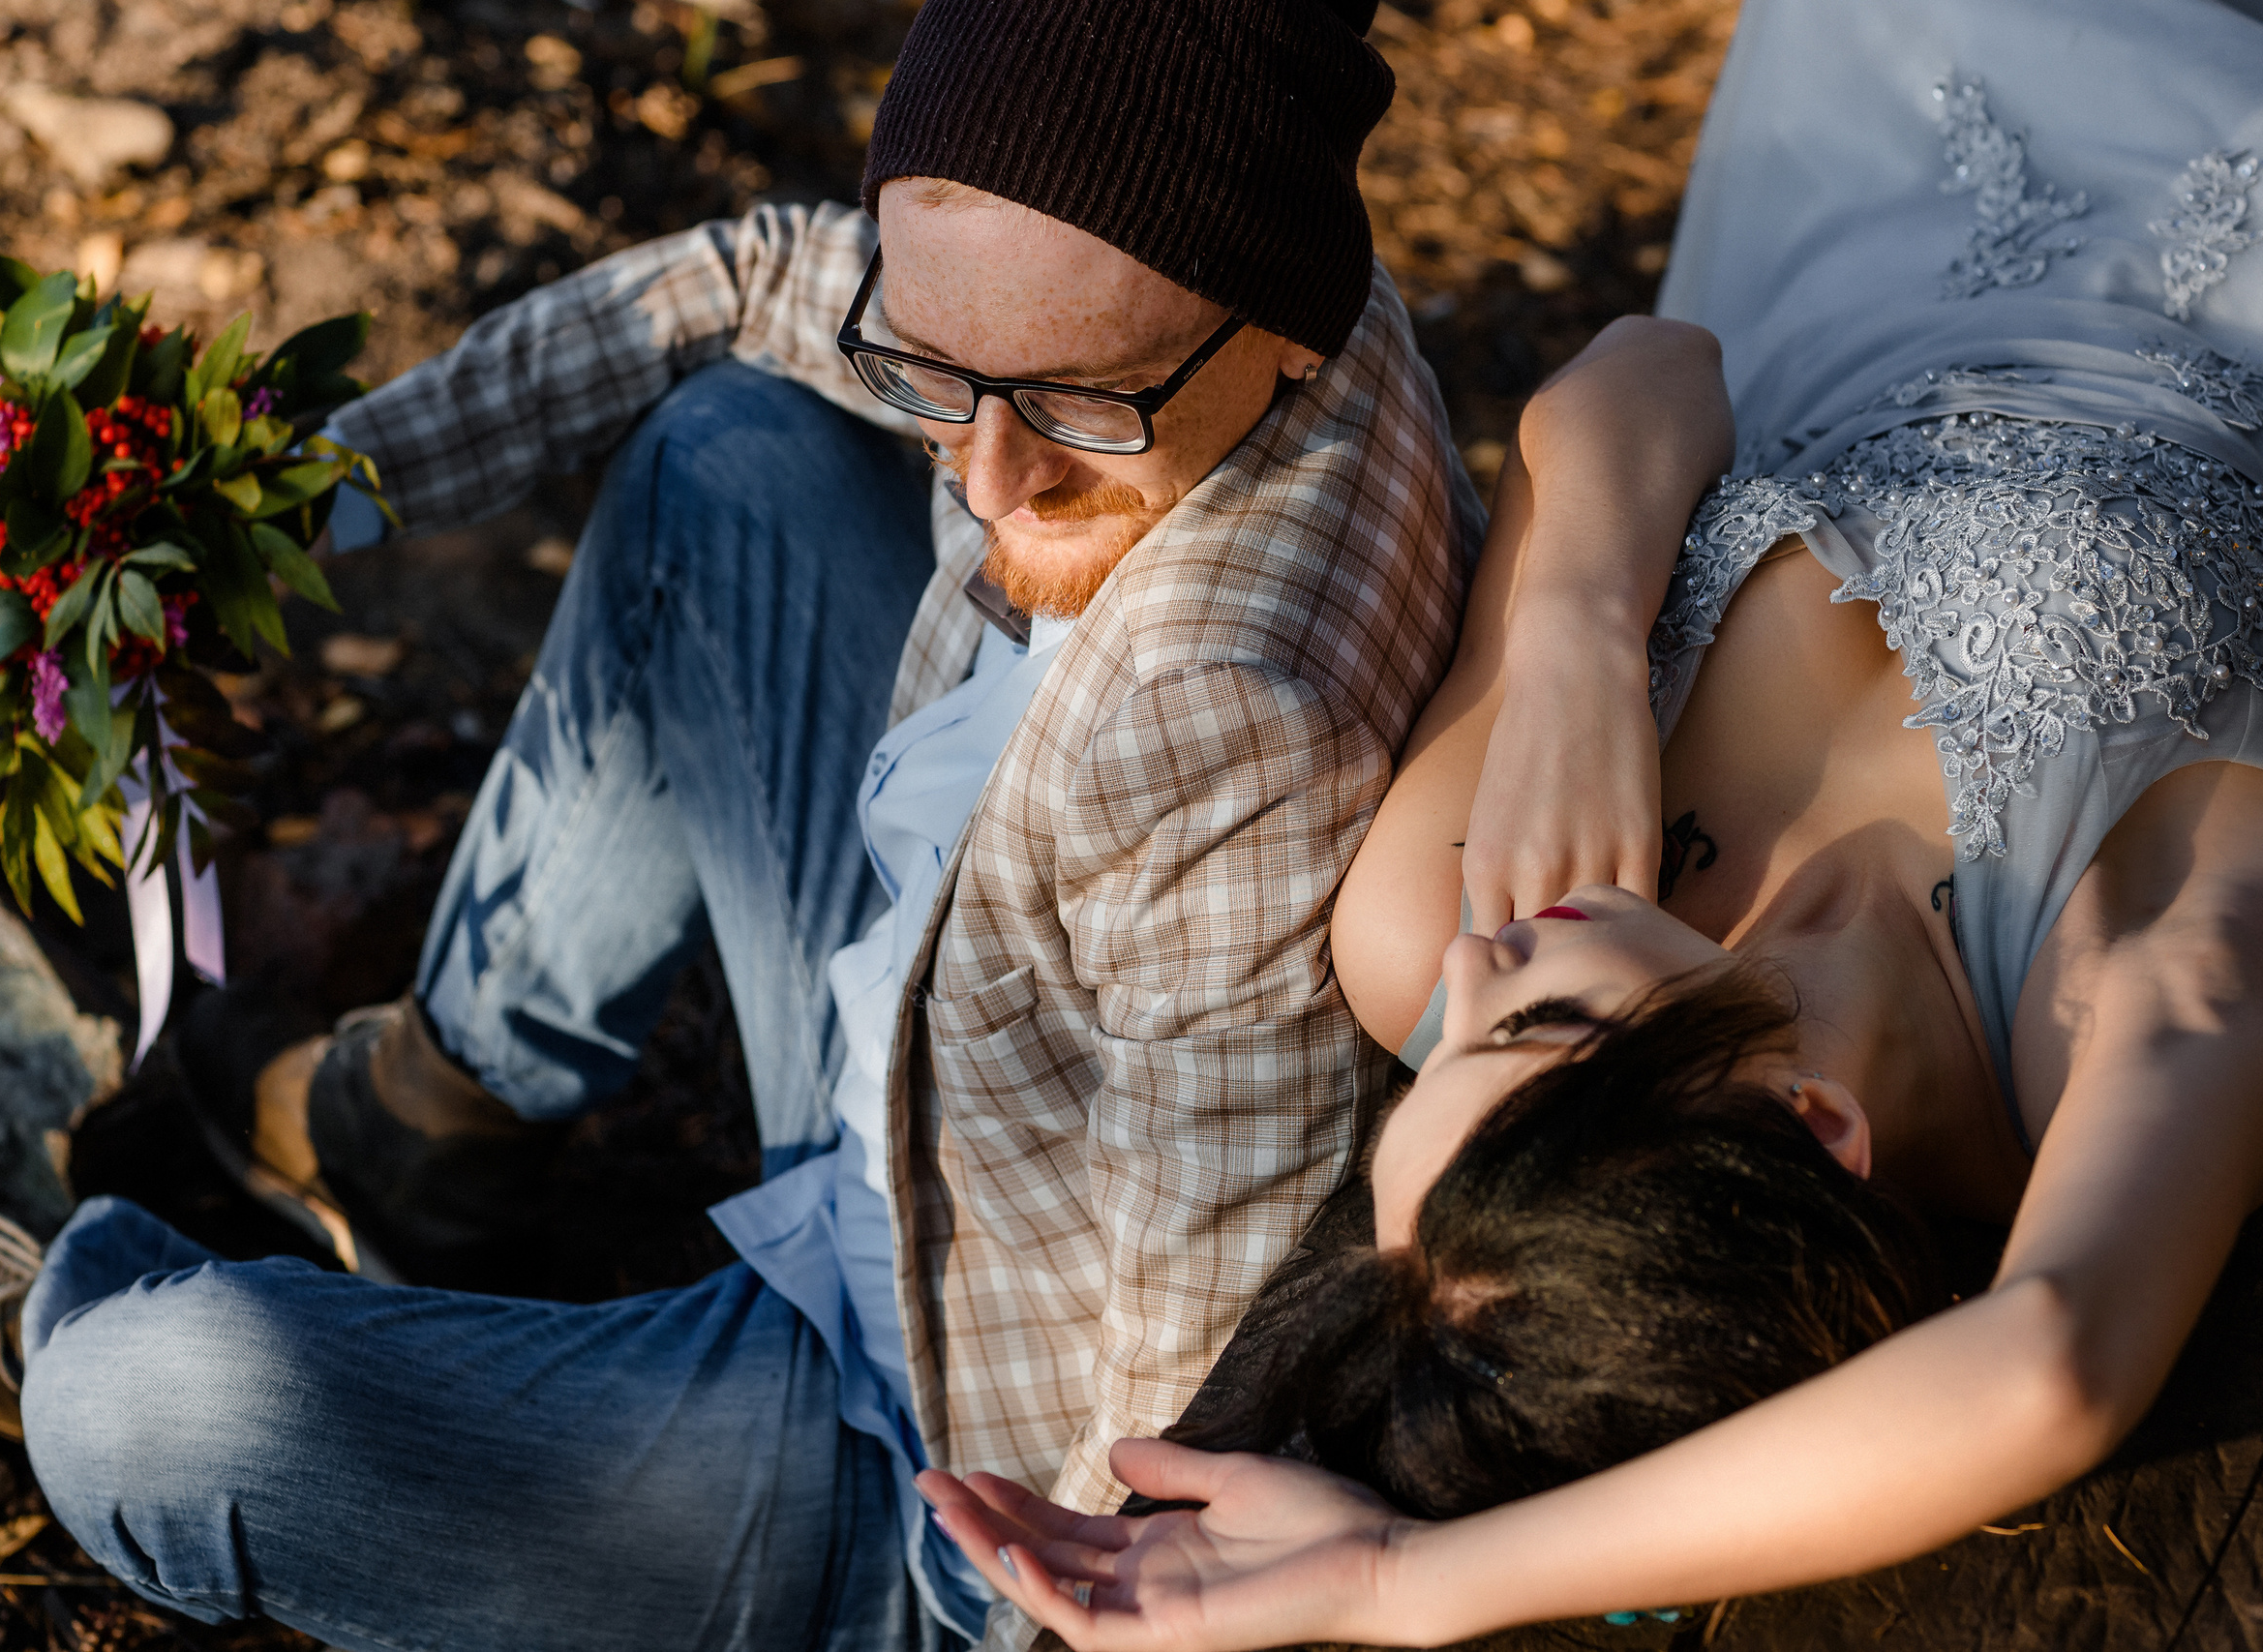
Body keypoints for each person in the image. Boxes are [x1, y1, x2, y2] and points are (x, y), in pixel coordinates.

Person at [0, 1, 1480, 1646]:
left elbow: (1172, 1436)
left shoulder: (1226, 728)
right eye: (930, 370)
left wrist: (1047, 1597)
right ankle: (426, 1135)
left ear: (1283, 321)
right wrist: (261, 514)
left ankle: (33, 1338)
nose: (982, 482)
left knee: (144, 1406)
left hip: (938, 1461)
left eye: (1071, 405)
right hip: (928, 1104)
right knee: (731, 452)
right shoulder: (1234, 279)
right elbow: (741, 281)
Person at [915, 0, 2263, 1642]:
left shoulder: (1442, 915)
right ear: (1809, 1125)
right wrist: (1399, 1585)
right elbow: (2048, 1364)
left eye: (1438, 1060)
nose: (1471, 975)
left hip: (1896, 157)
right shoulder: (2119, 975)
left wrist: (1574, 637)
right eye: (1529, 1027)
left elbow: (1649, 367)